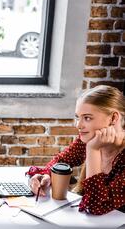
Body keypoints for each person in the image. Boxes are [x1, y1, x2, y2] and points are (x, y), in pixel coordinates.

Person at [28, 85, 125, 215]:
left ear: (113, 118)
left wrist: (93, 149)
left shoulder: (93, 144)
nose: (78, 125)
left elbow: (95, 206)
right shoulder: (88, 139)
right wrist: (46, 175)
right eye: (77, 117)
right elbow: (61, 160)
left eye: (87, 118)